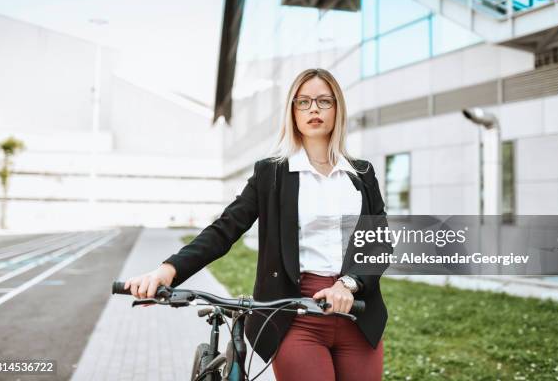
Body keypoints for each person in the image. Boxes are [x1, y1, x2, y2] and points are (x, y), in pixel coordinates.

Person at [124, 68, 391, 380]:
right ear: (292, 111)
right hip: (294, 314)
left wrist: (350, 283)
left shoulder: (362, 174)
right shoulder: (272, 174)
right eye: (303, 102)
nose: (314, 109)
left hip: (358, 313)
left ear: (338, 109)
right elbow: (225, 229)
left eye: (323, 101)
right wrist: (166, 271)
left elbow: (380, 242)